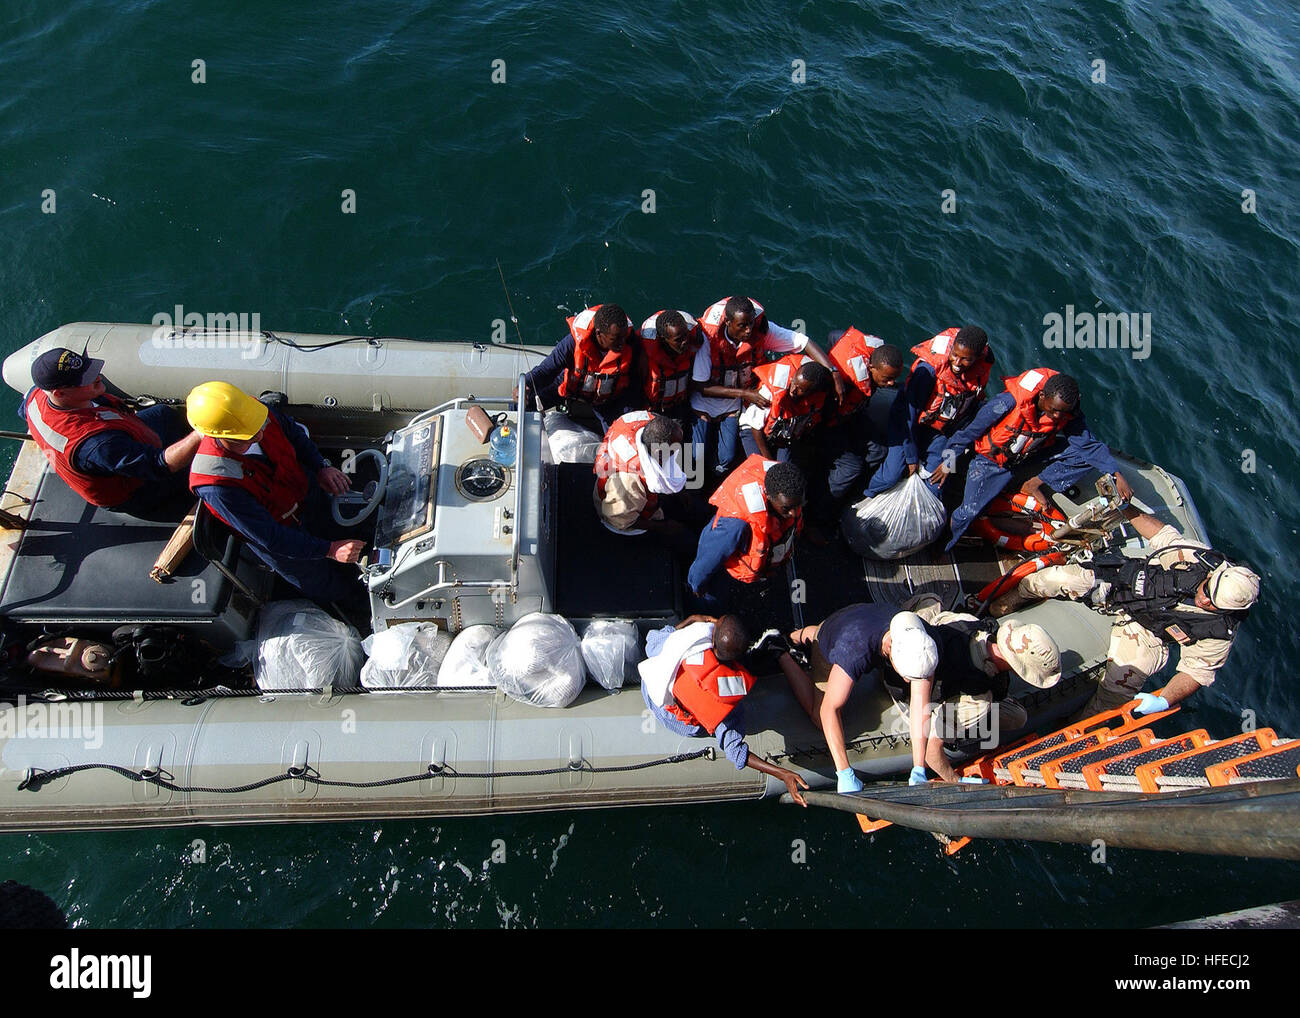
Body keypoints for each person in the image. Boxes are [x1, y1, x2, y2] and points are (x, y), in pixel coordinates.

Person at [989, 508, 1259, 717]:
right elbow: (1162, 535)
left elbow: (1196, 673)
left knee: (1117, 692)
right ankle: (1006, 603)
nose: (1204, 601)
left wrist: (1164, 699)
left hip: (1148, 631)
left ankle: (1077, 727)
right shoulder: (1198, 560)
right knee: (1053, 578)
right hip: (1125, 584)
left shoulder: (1219, 633)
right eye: (1207, 592)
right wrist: (1126, 509)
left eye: (1213, 604)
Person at [186, 381, 365, 604]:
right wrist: (330, 550)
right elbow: (269, 536)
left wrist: (321, 466)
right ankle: (358, 604)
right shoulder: (216, 483)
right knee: (330, 586)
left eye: (259, 428)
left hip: (310, 500)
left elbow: (294, 434)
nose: (259, 436)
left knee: (349, 536)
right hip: (285, 540)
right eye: (248, 438)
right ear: (216, 436)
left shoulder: (253, 414)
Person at [934, 369, 1133, 549]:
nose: (1057, 416)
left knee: (1086, 454)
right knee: (968, 511)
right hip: (990, 463)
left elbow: (1088, 445)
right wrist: (948, 464)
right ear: (1042, 395)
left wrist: (1116, 474)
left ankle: (1033, 484)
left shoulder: (1067, 411)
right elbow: (964, 435)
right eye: (1053, 410)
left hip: (1029, 454)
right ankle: (944, 543)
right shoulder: (1005, 404)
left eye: (1062, 412)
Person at [639, 613, 809, 805]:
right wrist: (782, 773)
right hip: (686, 725)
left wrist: (692, 620)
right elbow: (736, 753)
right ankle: (774, 650)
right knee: (732, 709)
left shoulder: (680, 642)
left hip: (652, 695)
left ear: (712, 639)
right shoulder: (727, 707)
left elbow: (651, 641)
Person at [890, 594, 1061, 779]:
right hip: (911, 690)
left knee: (933, 599)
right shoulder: (978, 700)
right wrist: (955, 780)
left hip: (910, 647)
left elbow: (939, 622)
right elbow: (931, 753)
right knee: (1017, 717)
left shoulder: (970, 622)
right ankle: (958, 734)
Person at [21, 347, 201, 513]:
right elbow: (159, 465)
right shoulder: (96, 444)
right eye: (85, 379)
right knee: (200, 471)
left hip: (122, 432)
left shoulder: (34, 396)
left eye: (90, 370)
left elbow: (23, 411)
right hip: (136, 489)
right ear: (60, 393)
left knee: (163, 414)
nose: (97, 376)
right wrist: (200, 434)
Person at [785, 605, 938, 791]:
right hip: (835, 635)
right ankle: (780, 648)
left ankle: (796, 635)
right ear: (890, 652)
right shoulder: (853, 651)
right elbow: (828, 709)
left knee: (828, 629)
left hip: (861, 615)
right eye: (907, 676)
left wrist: (919, 767)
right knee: (818, 716)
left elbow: (919, 707)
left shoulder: (919, 642)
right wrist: (844, 772)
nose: (908, 680)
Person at [689, 296, 843, 479]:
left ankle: (716, 475)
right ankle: (694, 485)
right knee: (694, 457)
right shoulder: (709, 337)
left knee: (725, 460)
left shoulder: (760, 330)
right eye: (742, 326)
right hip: (704, 402)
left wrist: (834, 372)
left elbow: (803, 342)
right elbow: (701, 386)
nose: (748, 331)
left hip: (731, 405)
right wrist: (746, 393)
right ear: (728, 322)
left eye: (751, 324)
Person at [686, 456, 804, 612]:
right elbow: (709, 556)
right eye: (787, 508)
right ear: (768, 496)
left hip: (763, 565)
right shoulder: (736, 524)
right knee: (712, 602)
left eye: (798, 505)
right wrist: (696, 584)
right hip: (729, 571)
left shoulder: (788, 491)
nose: (794, 513)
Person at [519, 303, 640, 432]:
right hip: (572, 386)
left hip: (607, 399)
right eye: (616, 338)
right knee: (524, 404)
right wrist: (525, 384)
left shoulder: (631, 343)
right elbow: (546, 370)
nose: (622, 342)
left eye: (624, 336)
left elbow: (633, 384)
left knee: (622, 433)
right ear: (599, 334)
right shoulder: (572, 343)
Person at [901, 326, 995, 484]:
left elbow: (966, 426)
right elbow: (906, 416)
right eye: (955, 355)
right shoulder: (928, 371)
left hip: (941, 433)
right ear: (951, 347)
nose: (958, 363)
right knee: (894, 473)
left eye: (966, 359)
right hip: (913, 427)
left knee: (939, 482)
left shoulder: (979, 376)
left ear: (978, 358)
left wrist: (949, 462)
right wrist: (911, 456)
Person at [822, 335, 909, 505]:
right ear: (871, 367)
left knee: (879, 451)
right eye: (887, 379)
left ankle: (855, 493)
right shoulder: (846, 382)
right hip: (831, 424)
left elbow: (835, 335)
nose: (892, 383)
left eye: (894, 378)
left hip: (854, 415)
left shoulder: (875, 365)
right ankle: (825, 505)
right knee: (852, 467)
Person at [592, 410, 692, 538]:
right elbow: (620, 519)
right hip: (625, 514)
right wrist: (664, 526)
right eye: (674, 449)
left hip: (637, 496)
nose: (678, 451)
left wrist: (680, 492)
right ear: (658, 452)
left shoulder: (648, 427)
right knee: (685, 538)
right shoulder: (628, 482)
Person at [737, 357, 831, 461]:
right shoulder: (771, 390)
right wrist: (769, 462)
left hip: (782, 435)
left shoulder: (816, 399)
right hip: (753, 430)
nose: (794, 390)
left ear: (811, 392)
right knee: (761, 466)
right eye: (794, 383)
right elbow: (755, 427)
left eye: (801, 389)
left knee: (785, 465)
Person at [635, 309, 701, 430]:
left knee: (686, 443)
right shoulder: (644, 356)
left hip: (680, 407)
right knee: (662, 445)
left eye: (686, 335)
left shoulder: (694, 345)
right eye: (678, 340)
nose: (685, 342)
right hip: (654, 412)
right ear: (663, 339)